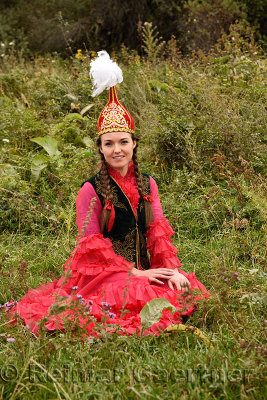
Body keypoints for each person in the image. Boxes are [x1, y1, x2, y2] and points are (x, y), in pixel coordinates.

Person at [6, 51, 208, 336]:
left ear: (134, 144)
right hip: (104, 275)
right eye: (109, 143)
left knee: (186, 284)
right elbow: (91, 248)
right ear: (100, 147)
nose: (117, 150)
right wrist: (135, 273)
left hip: (145, 270)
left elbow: (158, 237)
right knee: (139, 296)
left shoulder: (148, 184)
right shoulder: (90, 190)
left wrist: (169, 270)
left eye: (124, 142)